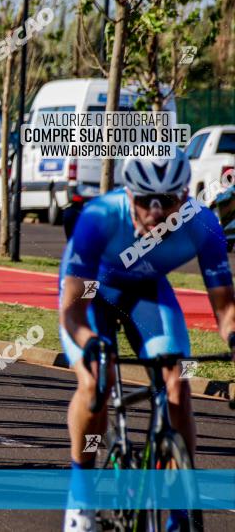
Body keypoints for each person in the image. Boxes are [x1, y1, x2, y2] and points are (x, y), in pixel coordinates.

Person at [58, 149, 235, 532]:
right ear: (127, 195)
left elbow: (225, 310)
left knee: (177, 384)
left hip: (147, 293)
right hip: (91, 294)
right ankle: (82, 491)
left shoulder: (203, 224)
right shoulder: (99, 218)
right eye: (144, 202)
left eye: (168, 201)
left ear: (186, 196)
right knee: (95, 383)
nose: (156, 213)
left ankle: (178, 505)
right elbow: (72, 310)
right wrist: (90, 341)